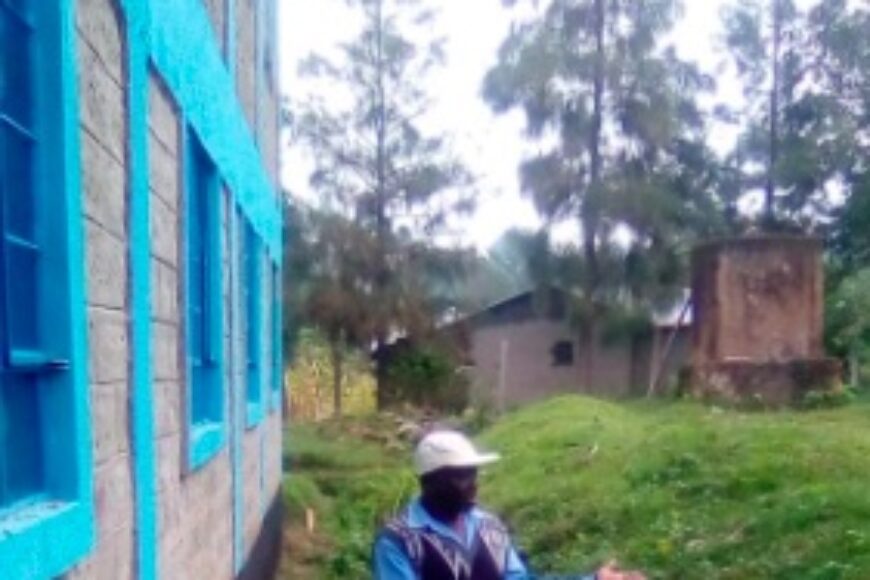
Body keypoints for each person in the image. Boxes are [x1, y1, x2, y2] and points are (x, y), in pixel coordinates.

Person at [373, 430, 646, 580]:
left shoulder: (489, 527)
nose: (474, 484)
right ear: (430, 482)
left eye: (474, 474)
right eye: (462, 476)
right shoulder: (399, 541)